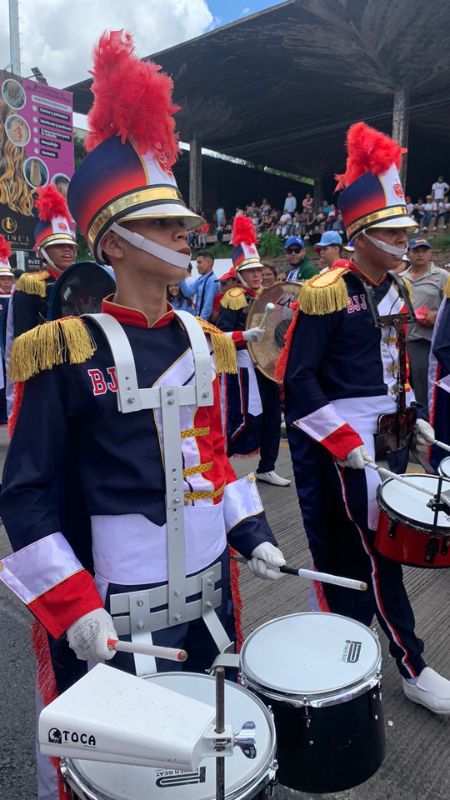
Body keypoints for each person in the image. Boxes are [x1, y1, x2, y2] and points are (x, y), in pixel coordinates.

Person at [0, 32, 286, 800]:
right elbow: (25, 492)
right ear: (116, 242)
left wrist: (253, 532)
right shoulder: (62, 349)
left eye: (181, 223)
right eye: (163, 225)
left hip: (206, 602)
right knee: (115, 778)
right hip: (110, 616)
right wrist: (75, 609)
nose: (184, 235)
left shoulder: (207, 343)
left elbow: (215, 460)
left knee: (197, 766)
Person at [280, 122, 450, 714]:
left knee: (364, 552)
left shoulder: (400, 290)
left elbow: (397, 367)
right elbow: (297, 378)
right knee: (370, 551)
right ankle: (411, 662)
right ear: (362, 233)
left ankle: (327, 638)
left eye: (408, 227)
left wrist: (416, 420)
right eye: (394, 229)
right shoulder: (326, 290)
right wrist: (344, 440)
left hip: (390, 439)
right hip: (343, 448)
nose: (408, 237)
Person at [216, 216, 290, 486]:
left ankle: (267, 466)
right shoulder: (233, 298)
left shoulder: (269, 295)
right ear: (240, 274)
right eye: (251, 271)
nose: (257, 275)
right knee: (240, 417)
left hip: (268, 365)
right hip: (244, 369)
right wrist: (243, 336)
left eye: (259, 270)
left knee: (272, 416)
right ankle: (222, 463)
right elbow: (218, 336)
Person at [12, 184, 77, 338]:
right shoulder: (30, 286)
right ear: (43, 252)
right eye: (59, 245)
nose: (67, 249)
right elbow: (22, 337)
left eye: (71, 246)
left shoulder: (81, 280)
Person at [400, 237, 448, 416]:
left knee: (425, 386)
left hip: (429, 341)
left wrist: (437, 315)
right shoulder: (400, 278)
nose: (420, 254)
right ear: (408, 253)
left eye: (424, 250)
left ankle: (428, 420)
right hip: (405, 340)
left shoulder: (442, 276)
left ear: (430, 253)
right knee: (407, 385)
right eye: (415, 250)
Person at [179, 249, 219, 321]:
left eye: (199, 262)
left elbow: (208, 306)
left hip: (206, 322)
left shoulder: (212, 280)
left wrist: (201, 323)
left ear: (209, 263)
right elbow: (187, 293)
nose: (197, 266)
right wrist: (180, 275)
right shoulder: (200, 279)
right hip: (201, 319)